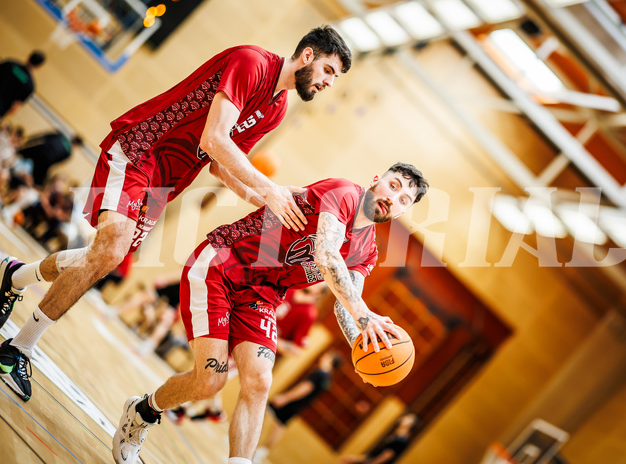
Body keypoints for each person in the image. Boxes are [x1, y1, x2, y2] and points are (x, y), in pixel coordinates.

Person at [0, 25, 352, 402]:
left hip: (167, 181)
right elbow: (213, 139)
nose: (330, 82)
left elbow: (220, 167)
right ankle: (18, 347)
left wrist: (270, 206)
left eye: (336, 77)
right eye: (329, 70)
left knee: (99, 256)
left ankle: (16, 276)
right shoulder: (251, 63)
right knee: (111, 251)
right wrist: (272, 189)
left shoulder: (277, 109)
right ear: (308, 56)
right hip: (142, 148)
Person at [111, 163, 429, 464]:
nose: (392, 197)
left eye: (403, 199)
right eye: (393, 185)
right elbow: (326, 254)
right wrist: (363, 314)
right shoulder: (344, 193)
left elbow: (346, 303)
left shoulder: (368, 250)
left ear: (404, 211)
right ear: (376, 179)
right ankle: (142, 412)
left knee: (260, 381)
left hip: (264, 294)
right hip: (224, 263)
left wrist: (362, 344)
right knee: (210, 381)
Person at [165, 283, 327, 424]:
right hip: (240, 336)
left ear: (319, 293)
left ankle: (181, 408)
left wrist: (268, 338)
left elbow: (297, 349)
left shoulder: (308, 314)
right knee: (212, 374)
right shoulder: (287, 292)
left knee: (211, 373)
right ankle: (214, 410)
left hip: (256, 352)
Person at [253, 349, 342, 464]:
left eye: (327, 355)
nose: (324, 356)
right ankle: (260, 453)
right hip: (298, 406)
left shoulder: (320, 373)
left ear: (330, 360)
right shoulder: (327, 379)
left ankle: (251, 446)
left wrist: (285, 398)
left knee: (265, 415)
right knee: (279, 426)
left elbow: (305, 388)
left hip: (290, 402)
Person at [340, 413, 419, 464]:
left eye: (408, 418)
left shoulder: (402, 439)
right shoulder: (396, 435)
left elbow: (386, 456)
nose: (404, 417)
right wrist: (355, 458)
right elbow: (374, 454)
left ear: (411, 424)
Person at [18, 131, 83, 186]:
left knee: (18, 156)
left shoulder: (59, 135)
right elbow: (54, 163)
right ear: (77, 145)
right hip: (44, 162)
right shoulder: (68, 153)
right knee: (37, 182)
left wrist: (27, 142)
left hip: (37, 150)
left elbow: (41, 137)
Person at [0, 51, 46, 123]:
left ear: (28, 56)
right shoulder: (30, 85)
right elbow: (14, 108)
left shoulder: (9, 64)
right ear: (39, 66)